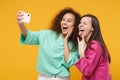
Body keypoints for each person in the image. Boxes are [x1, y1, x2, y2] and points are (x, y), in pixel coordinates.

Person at [16, 7, 81, 80]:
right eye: (63, 20)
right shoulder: (47, 35)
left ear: (75, 25)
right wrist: (20, 24)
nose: (64, 22)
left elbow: (69, 62)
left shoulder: (75, 44)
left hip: (61, 77)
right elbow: (29, 36)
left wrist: (66, 40)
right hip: (43, 76)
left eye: (69, 21)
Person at [75, 14, 112, 80]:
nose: (80, 25)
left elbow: (87, 71)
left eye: (85, 23)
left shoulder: (95, 46)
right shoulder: (88, 45)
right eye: (80, 23)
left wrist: (81, 53)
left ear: (92, 28)